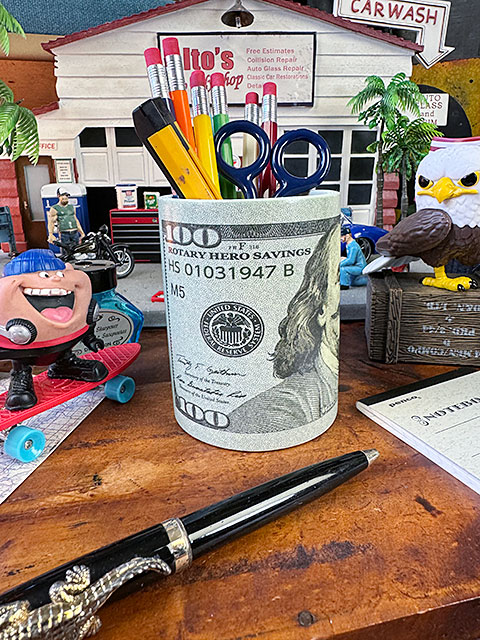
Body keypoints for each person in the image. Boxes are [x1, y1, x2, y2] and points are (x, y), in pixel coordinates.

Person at [47, 188, 85, 252]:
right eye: (63, 195)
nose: (65, 197)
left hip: (75, 232)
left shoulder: (71, 207)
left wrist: (82, 233)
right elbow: (51, 222)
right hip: (64, 234)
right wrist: (50, 234)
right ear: (58, 196)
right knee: (66, 251)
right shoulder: (55, 208)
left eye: (66, 195)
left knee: (77, 250)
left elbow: (75, 220)